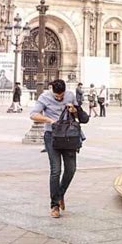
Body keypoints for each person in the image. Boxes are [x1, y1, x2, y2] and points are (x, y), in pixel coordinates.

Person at [30, 79, 81, 218]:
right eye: (57, 96)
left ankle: (60, 194)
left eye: (61, 95)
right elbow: (33, 114)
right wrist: (50, 120)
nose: (59, 98)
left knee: (71, 169)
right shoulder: (44, 97)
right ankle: (55, 205)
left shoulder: (70, 95)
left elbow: (78, 114)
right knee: (56, 170)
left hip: (68, 136)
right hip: (52, 136)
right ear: (51, 89)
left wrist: (74, 110)